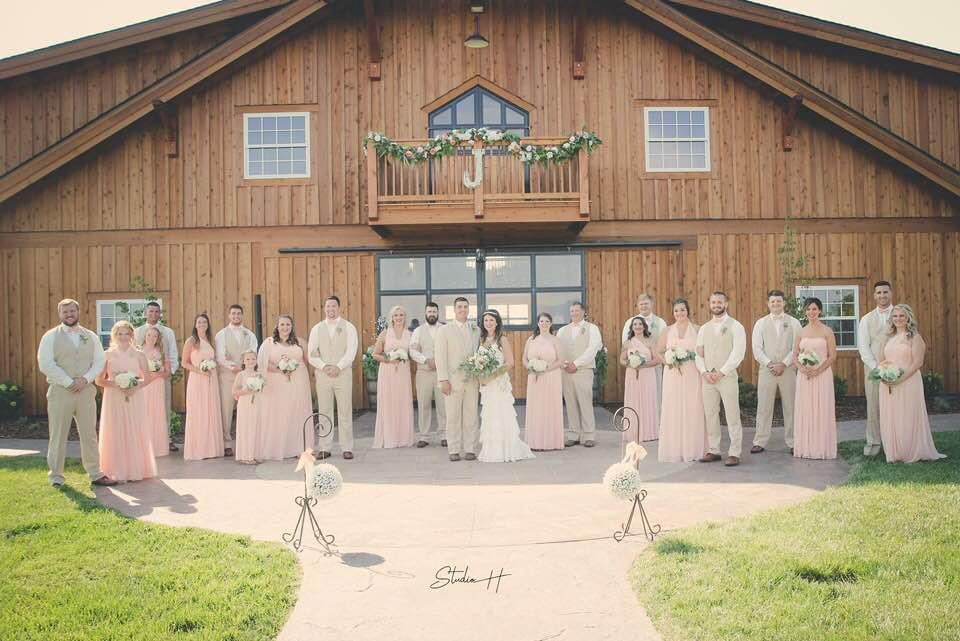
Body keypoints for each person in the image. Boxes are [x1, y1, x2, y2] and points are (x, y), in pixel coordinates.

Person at [37, 298, 115, 488]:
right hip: (60, 392)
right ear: (60, 314)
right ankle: (56, 476)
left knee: (89, 434)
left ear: (78, 312)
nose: (69, 315)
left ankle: (95, 473)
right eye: (65, 312)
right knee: (58, 434)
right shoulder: (50, 336)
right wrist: (68, 381)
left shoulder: (90, 336)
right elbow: (45, 363)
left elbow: (99, 361)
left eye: (72, 311)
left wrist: (85, 379)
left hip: (85, 391)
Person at [877, 304, 946, 463]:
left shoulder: (914, 337)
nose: (898, 319)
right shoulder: (887, 338)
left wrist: (900, 379)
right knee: (891, 415)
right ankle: (894, 452)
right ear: (891, 319)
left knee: (907, 414)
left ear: (908, 318)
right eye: (895, 316)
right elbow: (881, 361)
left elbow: (917, 363)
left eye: (901, 316)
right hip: (888, 382)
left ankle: (910, 450)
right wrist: (883, 375)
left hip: (908, 381)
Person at [96, 321, 157, 482]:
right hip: (113, 397)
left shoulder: (139, 355)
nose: (123, 337)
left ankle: (135, 469)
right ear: (114, 336)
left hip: (134, 396)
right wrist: (116, 384)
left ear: (132, 336)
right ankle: (114, 469)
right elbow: (99, 380)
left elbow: (148, 378)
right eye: (120, 334)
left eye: (127, 334)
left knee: (134, 430)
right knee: (115, 430)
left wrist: (134, 386)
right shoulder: (107, 355)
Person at [695, 291, 746, 466]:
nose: (716, 305)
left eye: (720, 302)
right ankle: (714, 450)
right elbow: (698, 354)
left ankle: (734, 452)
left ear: (726, 304)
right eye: (713, 302)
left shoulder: (736, 326)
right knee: (710, 414)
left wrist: (722, 372)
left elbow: (738, 353)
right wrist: (704, 372)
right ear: (710, 304)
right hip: (708, 379)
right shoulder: (703, 328)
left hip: (727, 377)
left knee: (732, 414)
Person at [476, 310, 535, 463]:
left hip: (498, 382)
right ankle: (492, 448)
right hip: (487, 384)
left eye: (491, 320)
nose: (488, 323)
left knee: (501, 412)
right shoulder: (481, 339)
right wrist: (481, 375)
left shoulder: (502, 339)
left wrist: (493, 375)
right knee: (490, 413)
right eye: (486, 320)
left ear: (497, 322)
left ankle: (506, 448)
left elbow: (510, 362)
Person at [750, 290, 803, 454]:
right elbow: (757, 348)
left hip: (788, 370)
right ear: (768, 304)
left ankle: (793, 441)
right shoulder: (760, 323)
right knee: (764, 406)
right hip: (767, 370)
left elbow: (797, 347)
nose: (776, 304)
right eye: (773, 302)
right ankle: (760, 441)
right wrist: (770, 364)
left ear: (784, 303)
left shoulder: (794, 323)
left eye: (779, 301)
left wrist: (784, 364)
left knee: (791, 406)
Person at [308, 296, 358, 460]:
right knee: (324, 410)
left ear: (339, 307)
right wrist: (323, 366)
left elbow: (351, 350)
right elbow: (312, 353)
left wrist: (339, 366)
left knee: (345, 410)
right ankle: (325, 447)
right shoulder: (317, 328)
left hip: (342, 373)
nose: (330, 309)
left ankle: (347, 447)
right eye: (328, 306)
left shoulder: (349, 327)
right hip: (323, 375)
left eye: (334, 306)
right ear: (324, 308)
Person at [657, 299, 707, 462]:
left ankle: (694, 448)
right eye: (676, 311)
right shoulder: (667, 331)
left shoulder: (698, 330)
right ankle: (674, 450)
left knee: (693, 408)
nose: (679, 313)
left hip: (693, 374)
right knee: (674, 409)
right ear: (673, 313)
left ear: (688, 311)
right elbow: (658, 351)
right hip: (673, 376)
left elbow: (702, 352)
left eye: (682, 310)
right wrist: (669, 361)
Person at [259, 315, 313, 460]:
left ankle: (299, 448)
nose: (285, 327)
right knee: (280, 413)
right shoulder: (269, 343)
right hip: (277, 382)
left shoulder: (300, 342)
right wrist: (280, 369)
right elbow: (263, 364)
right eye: (282, 324)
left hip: (299, 381)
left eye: (288, 324)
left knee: (298, 412)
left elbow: (311, 359)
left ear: (292, 326)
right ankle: (280, 448)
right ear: (277, 326)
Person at [435, 296, 481, 462]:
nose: (462, 310)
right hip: (452, 381)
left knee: (471, 416)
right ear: (454, 310)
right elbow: (440, 356)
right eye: (459, 307)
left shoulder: (475, 329)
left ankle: (470, 448)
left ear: (469, 309)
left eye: (465, 307)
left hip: (472, 380)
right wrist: (443, 380)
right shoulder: (444, 330)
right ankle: (453, 449)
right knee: (453, 416)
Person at [792, 298, 838, 460]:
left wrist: (818, 370)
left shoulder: (827, 331)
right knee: (806, 409)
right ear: (805, 312)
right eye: (808, 309)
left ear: (820, 311)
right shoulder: (801, 332)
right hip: (804, 377)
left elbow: (833, 356)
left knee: (821, 408)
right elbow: (794, 356)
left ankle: (822, 448)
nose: (811, 312)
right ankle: (806, 447)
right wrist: (802, 368)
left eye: (814, 309)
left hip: (822, 375)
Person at [133, 301, 179, 452]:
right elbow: (134, 355)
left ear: (160, 314)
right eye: (150, 311)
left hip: (161, 377)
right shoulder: (137, 331)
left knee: (164, 408)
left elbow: (172, 353)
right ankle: (142, 439)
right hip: (142, 379)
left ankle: (166, 439)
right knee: (142, 408)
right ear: (146, 313)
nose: (153, 314)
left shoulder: (168, 332)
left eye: (156, 311)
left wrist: (168, 373)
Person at [215, 304, 258, 458]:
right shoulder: (221, 334)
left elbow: (253, 352)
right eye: (233, 314)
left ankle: (248, 442)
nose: (236, 316)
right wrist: (232, 366)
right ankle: (227, 443)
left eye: (239, 314)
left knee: (249, 407)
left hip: (247, 375)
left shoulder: (250, 334)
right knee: (226, 409)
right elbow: (220, 356)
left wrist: (244, 367)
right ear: (229, 315)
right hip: (228, 375)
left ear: (242, 315)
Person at [557, 302, 602, 448]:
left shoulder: (592, 328)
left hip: (583, 369)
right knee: (570, 403)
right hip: (566, 370)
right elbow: (558, 350)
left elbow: (593, 348)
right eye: (572, 311)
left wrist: (576, 364)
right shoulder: (562, 330)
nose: (574, 313)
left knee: (585, 402)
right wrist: (565, 364)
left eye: (577, 310)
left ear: (583, 312)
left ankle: (589, 435)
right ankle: (573, 434)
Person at [858, 281, 894, 456]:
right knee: (873, 406)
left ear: (891, 293)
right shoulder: (866, 319)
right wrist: (876, 367)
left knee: (896, 406)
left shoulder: (900, 314)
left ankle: (895, 443)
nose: (882, 296)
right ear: (874, 295)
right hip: (872, 369)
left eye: (885, 292)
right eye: (879, 293)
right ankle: (873, 444)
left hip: (896, 368)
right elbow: (863, 347)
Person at [371, 305, 416, 449]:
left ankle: (403, 438)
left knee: (402, 402)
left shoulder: (409, 334)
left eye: (401, 315)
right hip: (387, 372)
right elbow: (375, 354)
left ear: (405, 317)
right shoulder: (385, 333)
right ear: (392, 317)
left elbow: (413, 352)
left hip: (403, 372)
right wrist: (388, 359)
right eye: (396, 315)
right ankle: (389, 438)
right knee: (389, 402)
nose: (398, 318)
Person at [181, 313, 224, 461]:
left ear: (208, 324)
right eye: (199, 322)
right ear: (195, 324)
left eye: (204, 322)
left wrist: (213, 367)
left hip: (211, 380)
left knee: (211, 410)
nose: (201, 324)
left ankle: (212, 448)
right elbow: (184, 363)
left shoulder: (210, 340)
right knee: (199, 411)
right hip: (197, 379)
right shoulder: (191, 341)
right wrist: (200, 370)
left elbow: (215, 358)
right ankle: (199, 449)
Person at [522, 312, 564, 451]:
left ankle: (551, 442)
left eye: (547, 321)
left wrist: (545, 369)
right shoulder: (531, 339)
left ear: (551, 324)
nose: (544, 324)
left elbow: (560, 360)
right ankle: (535, 442)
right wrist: (531, 368)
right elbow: (524, 359)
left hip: (551, 376)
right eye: (542, 321)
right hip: (534, 378)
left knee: (550, 407)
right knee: (537, 407)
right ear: (538, 323)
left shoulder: (555, 340)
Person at [621, 293, 667, 419]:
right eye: (641, 304)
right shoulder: (630, 322)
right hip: (634, 367)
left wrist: (657, 360)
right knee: (635, 396)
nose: (644, 306)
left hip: (654, 365)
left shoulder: (660, 322)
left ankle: (655, 422)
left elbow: (665, 342)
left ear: (651, 304)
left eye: (646, 303)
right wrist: (633, 361)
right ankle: (636, 421)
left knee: (655, 394)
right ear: (637, 306)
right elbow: (625, 343)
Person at [409, 302, 447, 448]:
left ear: (438, 313)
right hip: (423, 372)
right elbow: (413, 351)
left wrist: (438, 361)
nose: (432, 314)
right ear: (425, 313)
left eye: (434, 311)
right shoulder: (418, 331)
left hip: (441, 372)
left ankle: (444, 434)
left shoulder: (444, 329)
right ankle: (424, 436)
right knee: (423, 404)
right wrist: (426, 360)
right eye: (429, 311)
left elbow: (448, 348)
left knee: (443, 405)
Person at [620, 316, 661, 442]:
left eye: (640, 324)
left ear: (644, 326)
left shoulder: (651, 341)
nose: (637, 326)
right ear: (632, 327)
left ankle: (649, 432)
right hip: (632, 376)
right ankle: (633, 432)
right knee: (633, 401)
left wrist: (643, 365)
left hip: (648, 375)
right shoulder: (627, 342)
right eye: (635, 324)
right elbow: (621, 360)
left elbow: (657, 359)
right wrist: (631, 364)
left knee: (647, 400)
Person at [140, 325, 171, 457]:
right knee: (144, 413)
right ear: (145, 337)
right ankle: (144, 447)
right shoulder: (139, 352)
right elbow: (135, 369)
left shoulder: (162, 353)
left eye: (154, 336)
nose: (151, 338)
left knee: (157, 413)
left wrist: (157, 374)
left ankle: (158, 447)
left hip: (157, 385)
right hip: (144, 385)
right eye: (149, 335)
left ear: (158, 338)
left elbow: (168, 371)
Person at [232, 350, 265, 465]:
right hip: (245, 403)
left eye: (253, 359)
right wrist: (246, 391)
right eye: (248, 359)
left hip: (257, 403)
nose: (250, 361)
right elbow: (234, 391)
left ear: (256, 361)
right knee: (247, 428)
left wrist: (259, 387)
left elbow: (262, 388)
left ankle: (255, 454)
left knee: (256, 427)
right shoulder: (241, 375)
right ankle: (246, 455)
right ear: (243, 361)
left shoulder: (259, 374)